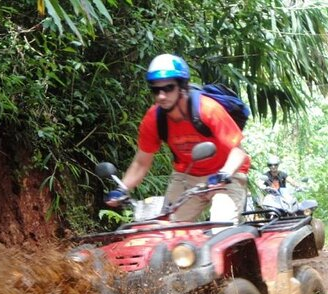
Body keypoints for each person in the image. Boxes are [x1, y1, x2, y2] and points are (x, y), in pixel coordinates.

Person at [105, 54, 250, 224]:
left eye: (168, 88)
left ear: (182, 87)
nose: (161, 96)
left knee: (221, 228)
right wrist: (122, 188)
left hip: (227, 176)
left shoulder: (208, 109)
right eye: (155, 90)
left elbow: (238, 152)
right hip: (187, 176)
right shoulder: (154, 118)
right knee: (166, 231)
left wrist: (224, 174)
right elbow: (141, 163)